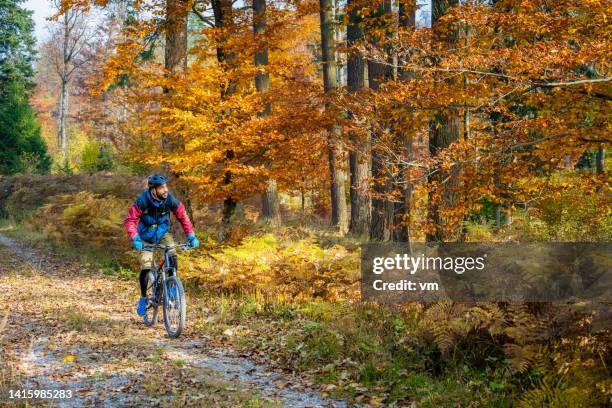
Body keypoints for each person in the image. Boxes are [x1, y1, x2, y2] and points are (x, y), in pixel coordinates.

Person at [123, 174, 199, 316]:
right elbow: (130, 220)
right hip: (145, 236)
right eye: (161, 188)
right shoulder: (143, 200)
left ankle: (171, 287)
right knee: (146, 266)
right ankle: (143, 297)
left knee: (172, 255)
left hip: (163, 233)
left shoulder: (169, 199)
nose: (165, 190)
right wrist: (135, 238)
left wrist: (191, 235)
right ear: (153, 190)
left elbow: (182, 215)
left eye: (166, 186)